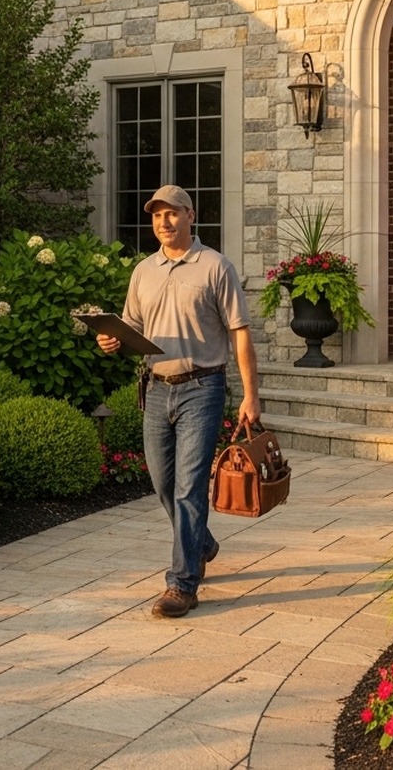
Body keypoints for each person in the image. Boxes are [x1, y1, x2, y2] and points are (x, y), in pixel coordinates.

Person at [97, 184, 260, 619]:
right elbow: (132, 327)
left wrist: (250, 395)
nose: (163, 223)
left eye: (172, 214)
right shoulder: (143, 271)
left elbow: (240, 332)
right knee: (162, 483)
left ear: (191, 215)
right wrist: (113, 339)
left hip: (202, 387)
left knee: (189, 486)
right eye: (156, 216)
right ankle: (202, 543)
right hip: (156, 388)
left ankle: (182, 583)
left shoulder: (215, 267)